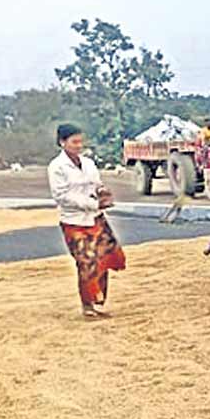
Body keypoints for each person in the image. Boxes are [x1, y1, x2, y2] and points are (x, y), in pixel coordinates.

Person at [48, 123, 125, 319]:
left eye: (80, 142)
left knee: (104, 258)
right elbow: (61, 196)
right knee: (86, 261)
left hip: (95, 218)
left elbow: (96, 184)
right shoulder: (56, 167)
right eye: (74, 142)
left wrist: (102, 192)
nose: (79, 146)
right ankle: (87, 305)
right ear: (62, 142)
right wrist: (93, 204)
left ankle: (98, 301)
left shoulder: (88, 163)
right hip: (74, 221)